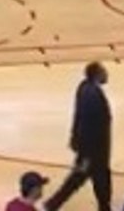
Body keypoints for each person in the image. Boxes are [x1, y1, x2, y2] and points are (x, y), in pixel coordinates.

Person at [46, 61, 112, 211]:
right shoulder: (92, 94)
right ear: (97, 74)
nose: (106, 74)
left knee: (97, 182)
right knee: (78, 180)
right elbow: (88, 125)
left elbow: (79, 119)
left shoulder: (84, 88)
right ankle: (51, 205)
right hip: (93, 152)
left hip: (94, 152)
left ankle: (104, 207)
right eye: (104, 71)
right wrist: (85, 154)